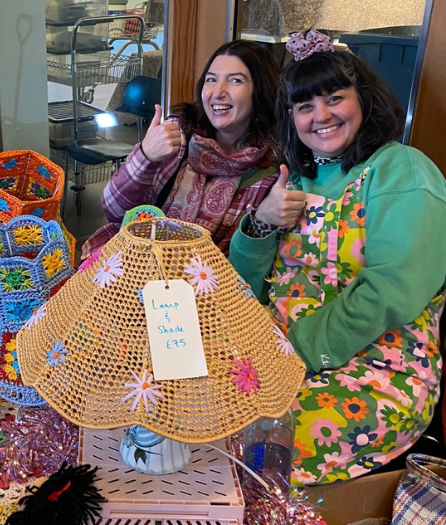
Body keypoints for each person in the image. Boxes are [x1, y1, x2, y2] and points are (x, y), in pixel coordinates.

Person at [229, 29, 446, 485]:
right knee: (190, 414)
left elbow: (393, 290)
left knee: (250, 450)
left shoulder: (400, 169)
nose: (321, 116)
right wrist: (263, 221)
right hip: (273, 352)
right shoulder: (296, 180)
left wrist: (293, 354)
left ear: (363, 99)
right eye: (305, 106)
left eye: (334, 98)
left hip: (376, 366)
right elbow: (238, 288)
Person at [81, 40, 280, 260]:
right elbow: (114, 211)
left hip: (208, 288)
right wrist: (145, 156)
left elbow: (244, 265)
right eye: (211, 79)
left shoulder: (270, 171)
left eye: (235, 81)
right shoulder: (178, 135)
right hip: (134, 271)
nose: (218, 92)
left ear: (259, 90)